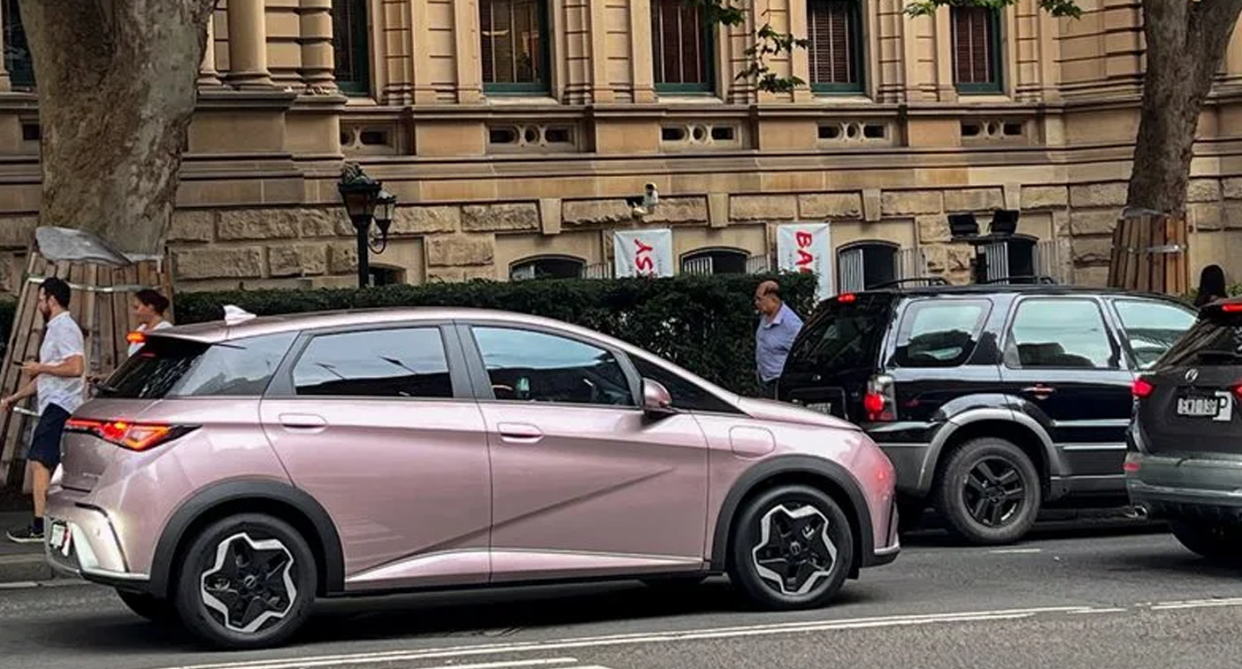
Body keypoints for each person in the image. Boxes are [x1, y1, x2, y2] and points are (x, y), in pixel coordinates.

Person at [1, 277, 85, 543]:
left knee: (39, 461)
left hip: (62, 405)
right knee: (52, 464)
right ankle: (56, 524)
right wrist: (14, 397)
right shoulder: (55, 328)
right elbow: (49, 376)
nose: (38, 304)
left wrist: (40, 367)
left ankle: (40, 526)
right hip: (55, 403)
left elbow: (75, 368)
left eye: (40, 299)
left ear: (52, 299)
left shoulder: (64, 328)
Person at [754, 279, 803, 399]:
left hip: (780, 383)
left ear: (773, 299)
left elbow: (802, 353)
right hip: (765, 380)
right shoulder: (764, 317)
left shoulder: (792, 324)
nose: (756, 303)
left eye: (759, 299)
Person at [126, 289, 172, 357]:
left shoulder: (165, 330)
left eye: (137, 308)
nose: (135, 313)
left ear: (151, 307)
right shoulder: (141, 329)